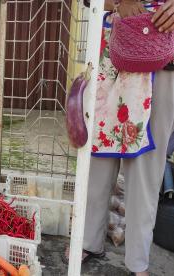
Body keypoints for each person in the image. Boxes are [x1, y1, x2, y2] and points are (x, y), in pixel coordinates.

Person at [65, 0, 174, 275]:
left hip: (163, 54)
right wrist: (118, 2)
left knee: (148, 165)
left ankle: (138, 260)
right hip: (113, 51)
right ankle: (88, 239)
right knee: (98, 150)